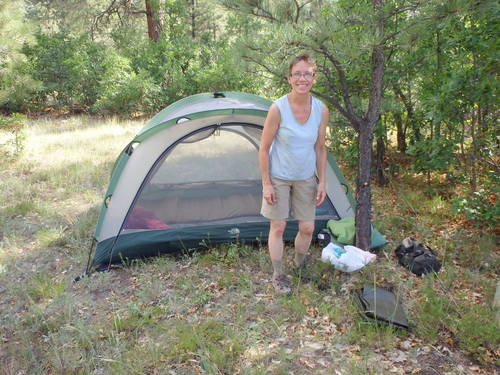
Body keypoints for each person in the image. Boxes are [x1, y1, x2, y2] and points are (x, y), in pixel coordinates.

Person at [259, 53, 329, 295]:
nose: (303, 78)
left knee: (308, 227)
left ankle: (300, 265)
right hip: (279, 176)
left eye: (307, 73)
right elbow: (264, 148)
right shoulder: (278, 108)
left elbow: (320, 148)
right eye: (297, 74)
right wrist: (266, 183)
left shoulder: (321, 110)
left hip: (306, 177)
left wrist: (322, 182)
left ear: (314, 78)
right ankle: (278, 274)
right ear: (289, 78)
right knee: (278, 226)